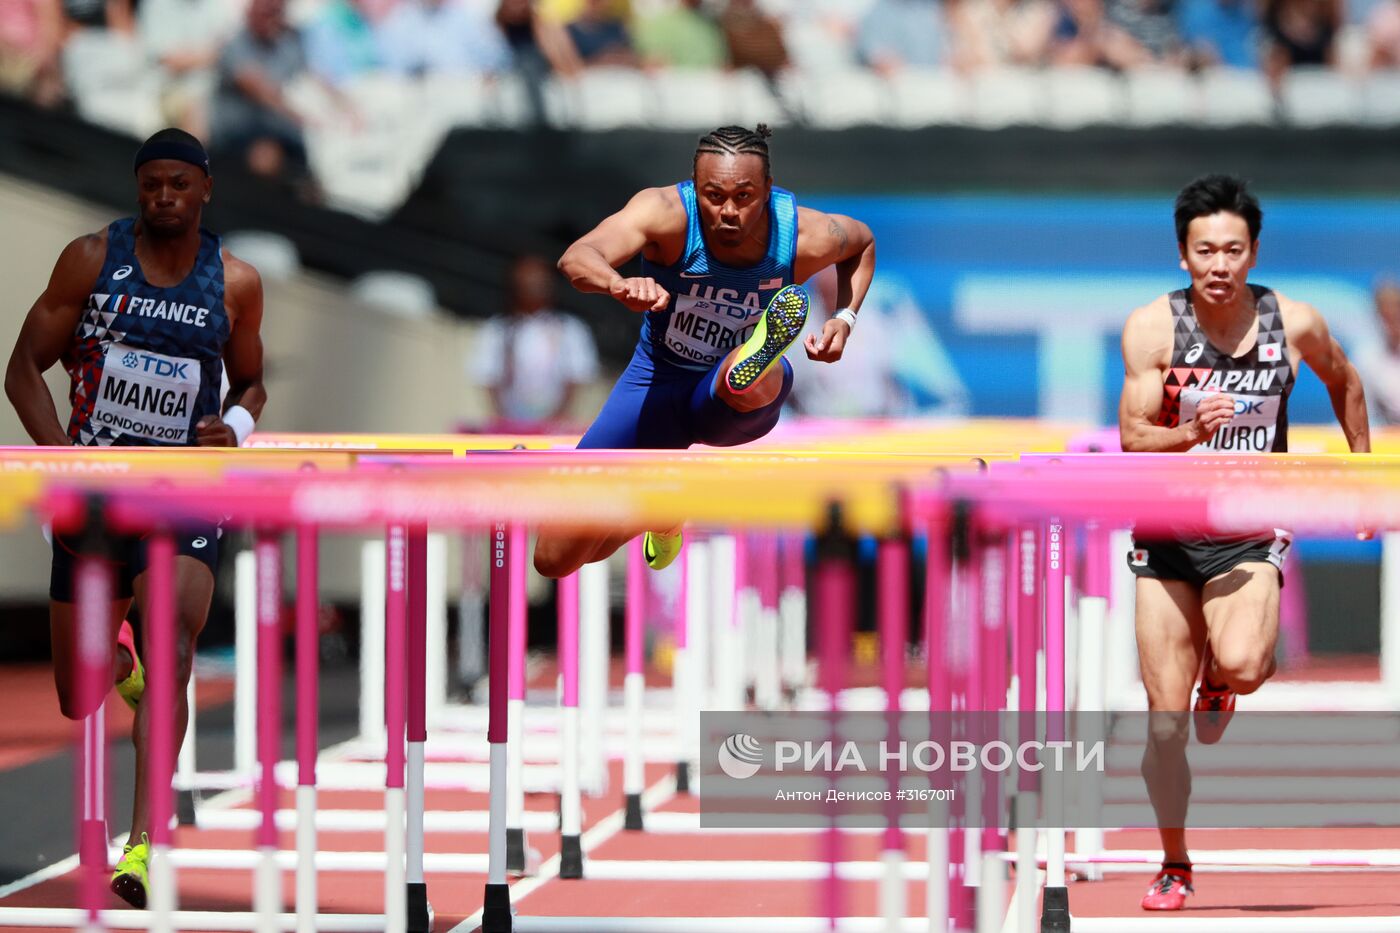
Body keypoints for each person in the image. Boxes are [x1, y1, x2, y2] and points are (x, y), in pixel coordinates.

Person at [4, 128, 266, 909]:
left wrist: (239, 427)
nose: (163, 197)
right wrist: (62, 463)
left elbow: (250, 383)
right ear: (137, 187)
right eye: (151, 184)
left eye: (178, 184)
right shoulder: (91, 259)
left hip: (183, 489)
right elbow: (23, 368)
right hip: (96, 491)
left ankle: (146, 842)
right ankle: (119, 665)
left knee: (174, 642)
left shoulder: (237, 282)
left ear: (205, 189)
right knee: (77, 693)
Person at [1118, 174, 1368, 911]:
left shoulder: (1297, 322)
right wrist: (1188, 432)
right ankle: (1174, 861)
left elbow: (1347, 384)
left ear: (1253, 250)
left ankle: (1222, 678)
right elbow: (1132, 435)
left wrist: (1363, 477)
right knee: (1165, 725)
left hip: (1249, 529)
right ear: (1182, 256)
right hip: (1166, 535)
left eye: (1233, 249)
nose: (1220, 264)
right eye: (1205, 251)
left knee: (1249, 664)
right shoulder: (1152, 329)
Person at [532, 124, 875, 578]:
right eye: (714, 196)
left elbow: (862, 243)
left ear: (768, 190)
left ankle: (758, 355)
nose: (728, 211)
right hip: (654, 386)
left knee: (739, 375)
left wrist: (844, 319)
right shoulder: (664, 213)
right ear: (695, 189)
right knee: (556, 559)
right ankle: (662, 511)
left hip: (736, 400)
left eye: (744, 197)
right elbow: (578, 256)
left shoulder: (805, 235)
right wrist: (618, 284)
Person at [467, 254, 600, 432]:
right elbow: (489, 378)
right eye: (527, 279)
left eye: (540, 279)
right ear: (514, 284)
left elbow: (577, 376)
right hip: (509, 424)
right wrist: (506, 421)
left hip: (556, 427)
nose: (534, 284)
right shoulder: (497, 330)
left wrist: (555, 420)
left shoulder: (571, 329)